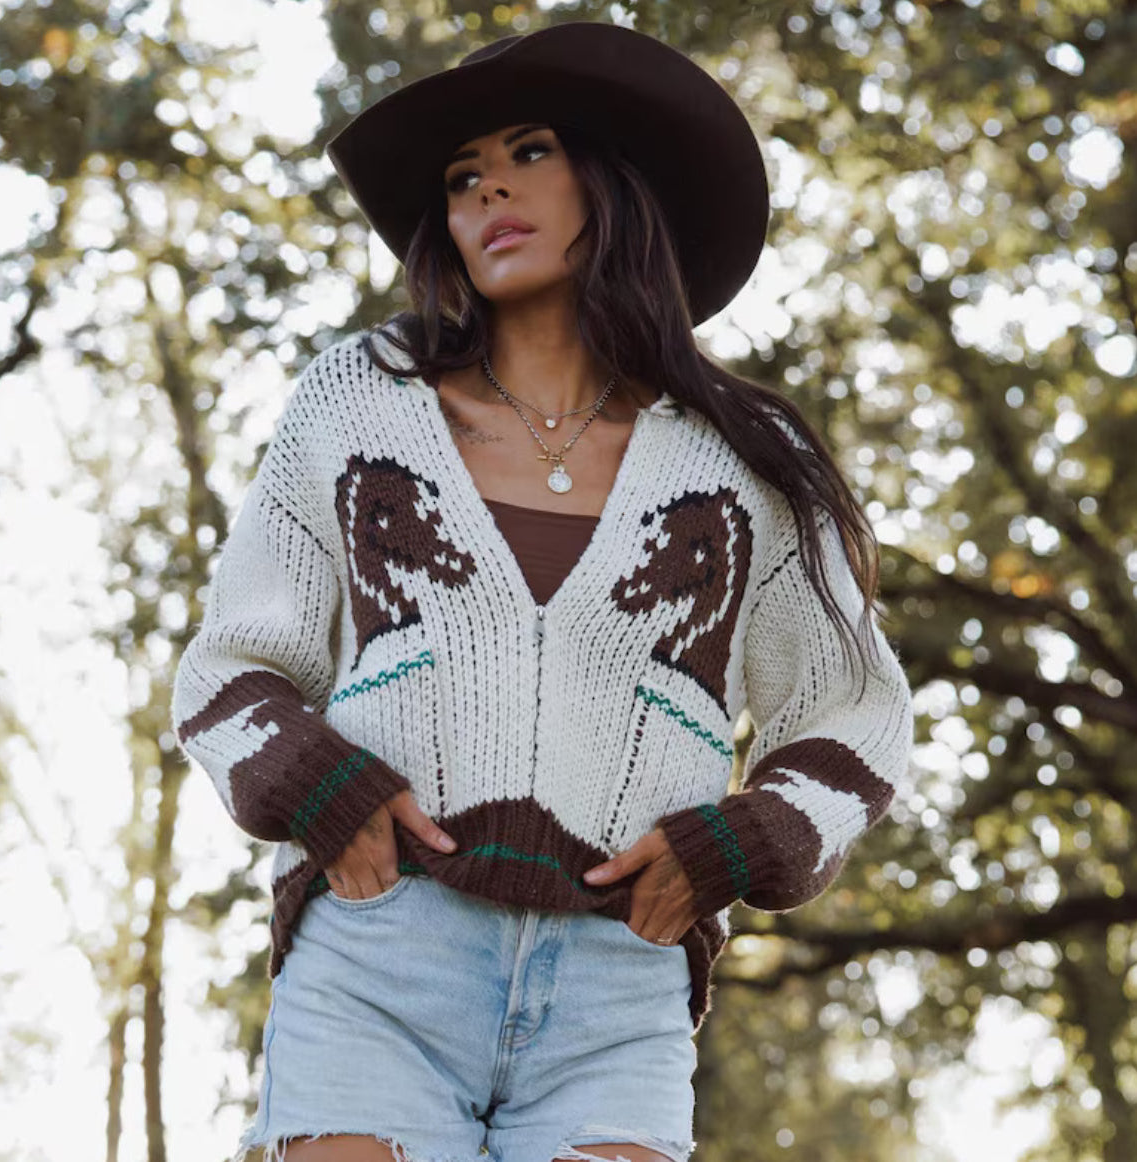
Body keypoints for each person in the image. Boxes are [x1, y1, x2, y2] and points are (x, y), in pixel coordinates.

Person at [170, 21, 915, 1162]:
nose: (488, 192)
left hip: (615, 994)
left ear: (611, 182)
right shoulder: (357, 400)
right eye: (462, 176)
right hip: (378, 958)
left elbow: (854, 711)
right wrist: (315, 788)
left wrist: (743, 841)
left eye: (528, 153)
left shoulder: (744, 458)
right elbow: (232, 664)